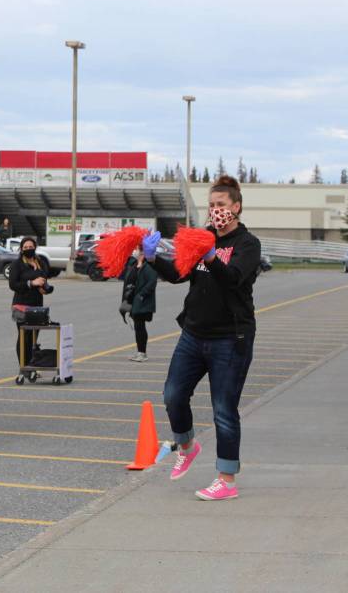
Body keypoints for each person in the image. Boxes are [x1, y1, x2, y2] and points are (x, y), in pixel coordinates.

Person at [143, 175, 261, 501]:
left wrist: (211, 256)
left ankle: (226, 479)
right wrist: (154, 259)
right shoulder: (203, 237)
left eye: (221, 205)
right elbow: (180, 274)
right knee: (172, 395)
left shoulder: (247, 244)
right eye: (211, 205)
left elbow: (235, 279)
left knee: (224, 409)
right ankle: (187, 445)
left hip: (230, 339)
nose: (215, 210)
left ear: (236, 207)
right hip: (194, 333)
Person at [9, 237, 54, 366]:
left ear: (35, 247)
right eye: (26, 247)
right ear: (21, 249)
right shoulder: (17, 264)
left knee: (33, 338)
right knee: (24, 337)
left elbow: (44, 280)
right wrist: (31, 283)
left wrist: (45, 289)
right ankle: (23, 367)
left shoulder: (41, 262)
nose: (29, 249)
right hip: (21, 305)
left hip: (37, 306)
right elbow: (13, 284)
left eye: (31, 247)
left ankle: (31, 365)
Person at [121, 246, 159, 362]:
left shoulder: (149, 266)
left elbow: (152, 282)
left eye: (138, 250)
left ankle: (142, 353)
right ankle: (140, 352)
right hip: (135, 301)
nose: (136, 252)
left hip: (143, 302)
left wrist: (141, 295)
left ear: (143, 253)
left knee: (140, 327)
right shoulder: (135, 264)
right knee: (138, 327)